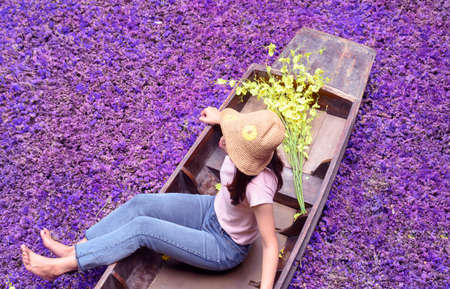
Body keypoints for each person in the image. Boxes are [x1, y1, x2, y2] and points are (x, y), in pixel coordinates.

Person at [21, 106, 285, 289]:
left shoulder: (260, 186)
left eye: (229, 140)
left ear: (248, 159)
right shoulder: (255, 144)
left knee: (142, 229)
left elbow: (270, 245)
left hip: (223, 246)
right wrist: (221, 119)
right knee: (140, 204)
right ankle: (74, 250)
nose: (222, 141)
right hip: (211, 211)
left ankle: (60, 267)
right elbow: (237, 124)